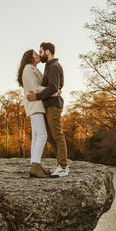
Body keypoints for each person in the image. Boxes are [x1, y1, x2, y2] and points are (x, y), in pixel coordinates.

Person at [27, 42, 69, 178]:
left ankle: (63, 167)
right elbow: (55, 87)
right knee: (50, 137)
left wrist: (36, 96)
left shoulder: (54, 66)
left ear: (48, 52)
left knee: (57, 135)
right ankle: (60, 165)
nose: (39, 54)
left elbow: (53, 87)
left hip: (53, 105)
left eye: (41, 51)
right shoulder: (48, 67)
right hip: (48, 105)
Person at [18, 49, 50, 178]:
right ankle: (35, 166)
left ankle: (35, 165)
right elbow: (36, 88)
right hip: (35, 105)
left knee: (37, 136)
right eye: (35, 54)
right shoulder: (28, 69)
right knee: (42, 135)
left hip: (35, 105)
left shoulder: (32, 69)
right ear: (30, 58)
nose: (38, 55)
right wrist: (53, 91)